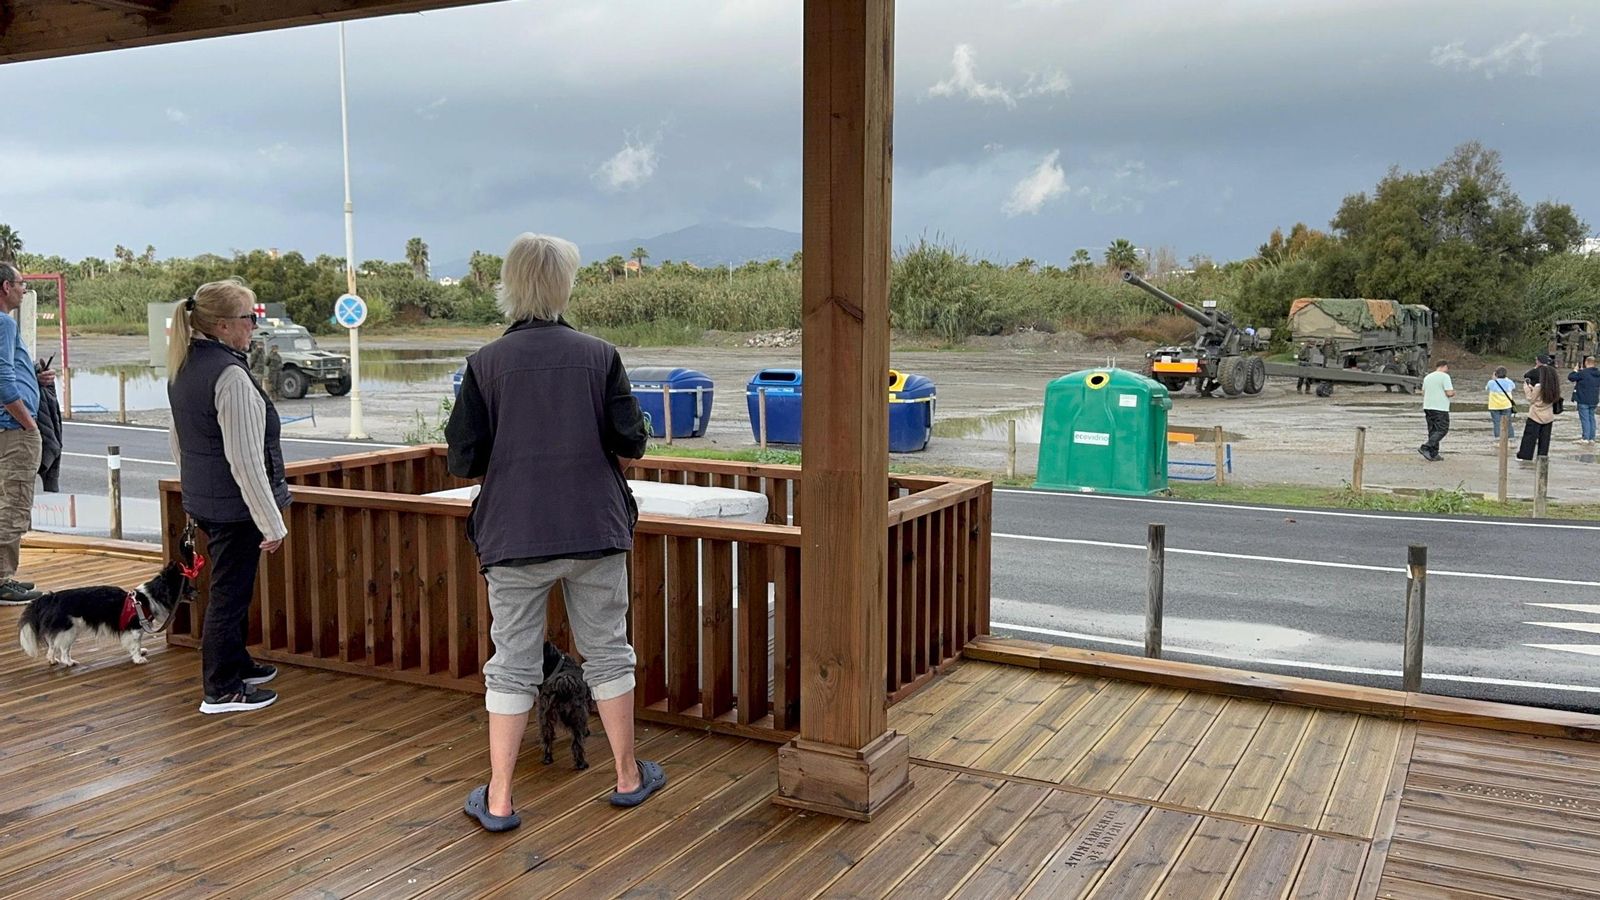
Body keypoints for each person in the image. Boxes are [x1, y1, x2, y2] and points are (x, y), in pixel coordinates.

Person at [445, 233, 658, 833]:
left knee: (510, 665)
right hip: (595, 528)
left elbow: (463, 459)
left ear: (508, 286)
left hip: (514, 534)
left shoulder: (483, 365)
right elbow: (631, 442)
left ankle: (502, 799)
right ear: (564, 285)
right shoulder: (600, 354)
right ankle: (626, 777)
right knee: (609, 652)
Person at [167, 279, 289, 714]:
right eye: (249, 318)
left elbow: (179, 441)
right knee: (229, 595)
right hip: (236, 508)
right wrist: (271, 520)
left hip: (209, 501)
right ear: (222, 325)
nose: (254, 326)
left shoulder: (185, 365)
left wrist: (195, 490)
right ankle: (221, 690)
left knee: (231, 589)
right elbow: (245, 459)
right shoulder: (230, 375)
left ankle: (236, 664)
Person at [0, 263, 49, 604]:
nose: (24, 289)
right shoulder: (3, 322)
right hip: (14, 429)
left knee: (6, 500)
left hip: (7, 427)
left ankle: (4, 576)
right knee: (14, 503)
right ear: (5, 287)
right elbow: (2, 379)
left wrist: (34, 375)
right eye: (21, 283)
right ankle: (1, 580)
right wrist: (28, 423)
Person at [1517, 365, 1560, 462]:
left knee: (1529, 438)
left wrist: (1526, 388)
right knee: (1545, 439)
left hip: (1535, 415)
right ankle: (1542, 457)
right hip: (1548, 415)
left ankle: (1525, 456)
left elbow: (1531, 399)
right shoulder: (1554, 387)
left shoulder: (1539, 386)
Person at [1418, 359, 1454, 462]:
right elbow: (1449, 393)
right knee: (1442, 429)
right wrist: (1453, 393)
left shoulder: (1427, 377)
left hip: (1428, 406)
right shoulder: (1445, 377)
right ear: (1444, 366)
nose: (1447, 370)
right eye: (1447, 368)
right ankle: (1426, 446)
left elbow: (1423, 392)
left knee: (1433, 429)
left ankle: (1433, 454)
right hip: (1440, 407)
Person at [1567, 355, 1600, 445]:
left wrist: (1575, 370)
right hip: (1594, 400)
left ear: (1586, 363)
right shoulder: (1598, 373)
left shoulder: (1583, 373)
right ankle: (1592, 438)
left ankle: (1585, 438)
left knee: (1585, 419)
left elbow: (1571, 377)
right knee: (1591, 418)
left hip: (1583, 399)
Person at [1485, 366, 1518, 443]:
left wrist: (1493, 379)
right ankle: (1511, 439)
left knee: (1496, 423)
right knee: (1508, 423)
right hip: (1506, 405)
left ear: (1495, 374)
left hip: (1494, 406)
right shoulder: (1509, 382)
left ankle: (1498, 439)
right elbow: (1513, 387)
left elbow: (1487, 388)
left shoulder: (1491, 382)